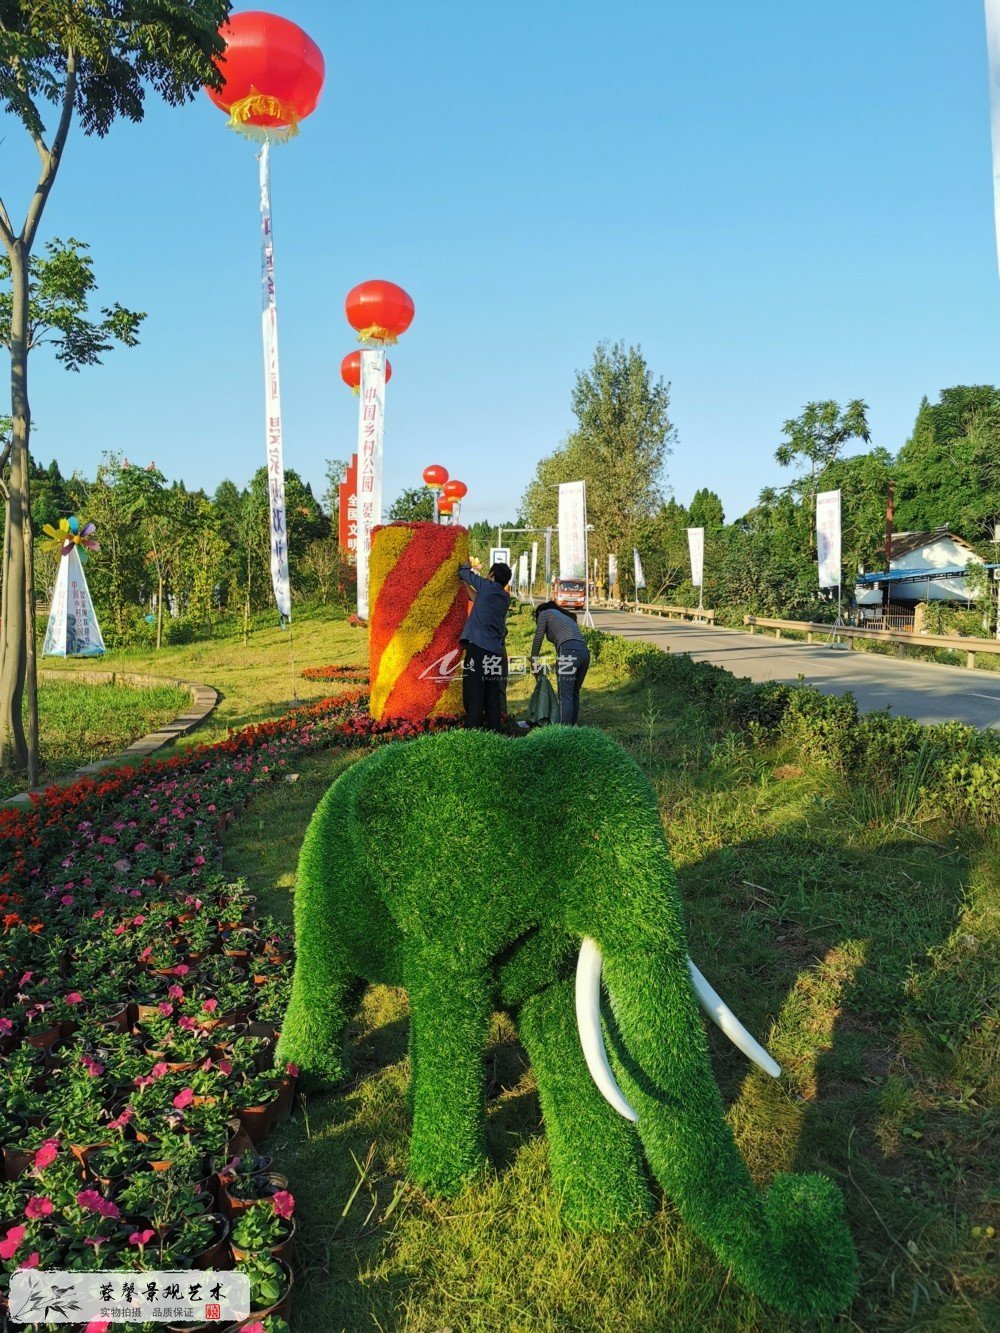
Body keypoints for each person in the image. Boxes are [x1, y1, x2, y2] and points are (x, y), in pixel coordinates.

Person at [457, 560, 511, 730]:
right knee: (492, 694)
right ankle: (494, 731)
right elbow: (477, 600)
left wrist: (465, 567)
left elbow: (464, 572)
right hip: (495, 652)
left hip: (479, 650)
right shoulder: (504, 598)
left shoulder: (487, 586)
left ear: (492, 575)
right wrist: (466, 586)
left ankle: (474, 731)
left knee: (474, 690)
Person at [531, 600, 590, 725]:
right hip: (585, 653)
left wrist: (533, 660)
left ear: (539, 612)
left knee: (565, 695)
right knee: (573, 692)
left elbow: (538, 638)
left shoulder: (544, 614)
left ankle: (562, 731)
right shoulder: (564, 617)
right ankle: (571, 728)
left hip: (569, 652)